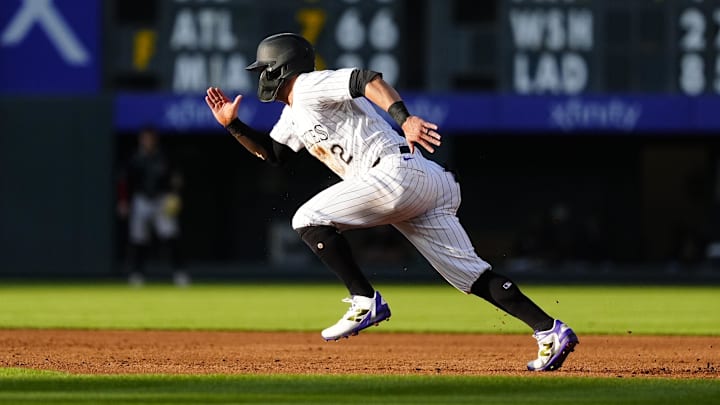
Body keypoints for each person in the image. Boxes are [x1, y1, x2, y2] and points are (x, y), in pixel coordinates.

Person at [204, 33, 578, 371]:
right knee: (473, 277)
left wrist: (406, 118)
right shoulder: (292, 113)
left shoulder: (308, 86)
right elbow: (274, 154)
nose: (260, 76)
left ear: (281, 67)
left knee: (307, 218)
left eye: (265, 68)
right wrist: (233, 126)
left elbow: (367, 79)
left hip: (394, 171)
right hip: (421, 181)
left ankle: (364, 300)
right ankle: (550, 330)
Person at [117, 126, 190, 287]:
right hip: (141, 199)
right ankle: (137, 274)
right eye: (145, 138)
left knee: (170, 236)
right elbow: (124, 181)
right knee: (138, 239)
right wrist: (123, 201)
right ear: (141, 140)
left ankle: (180, 273)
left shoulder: (164, 156)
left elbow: (176, 178)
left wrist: (176, 194)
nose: (148, 141)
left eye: (150, 138)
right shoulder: (135, 158)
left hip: (162, 199)